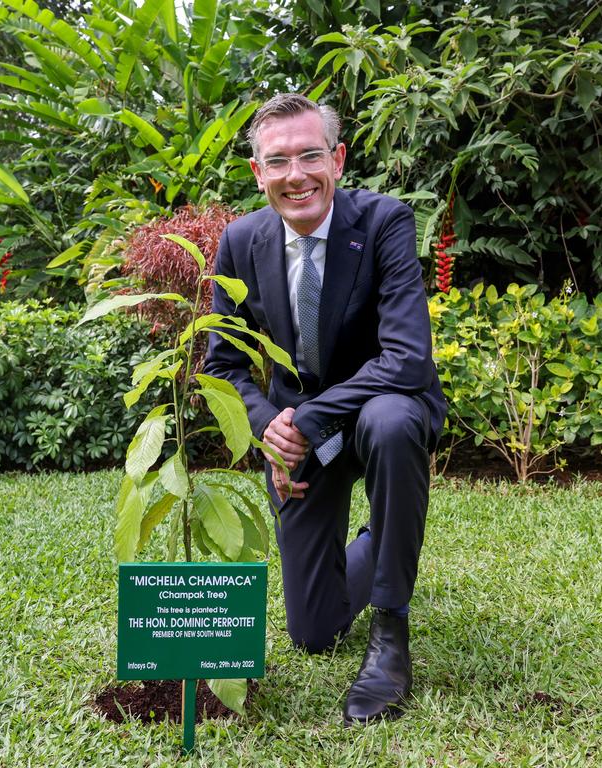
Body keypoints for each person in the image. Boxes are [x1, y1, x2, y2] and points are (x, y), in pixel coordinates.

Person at [203, 93, 447, 724]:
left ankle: (391, 637)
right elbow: (222, 367)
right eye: (278, 161)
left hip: (377, 413)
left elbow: (408, 359)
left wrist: (310, 419)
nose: (296, 175)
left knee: (392, 423)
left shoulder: (384, 221)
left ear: (337, 159)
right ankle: (380, 541)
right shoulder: (240, 241)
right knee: (314, 631)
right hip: (295, 441)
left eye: (311, 155)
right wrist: (269, 428)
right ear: (258, 173)